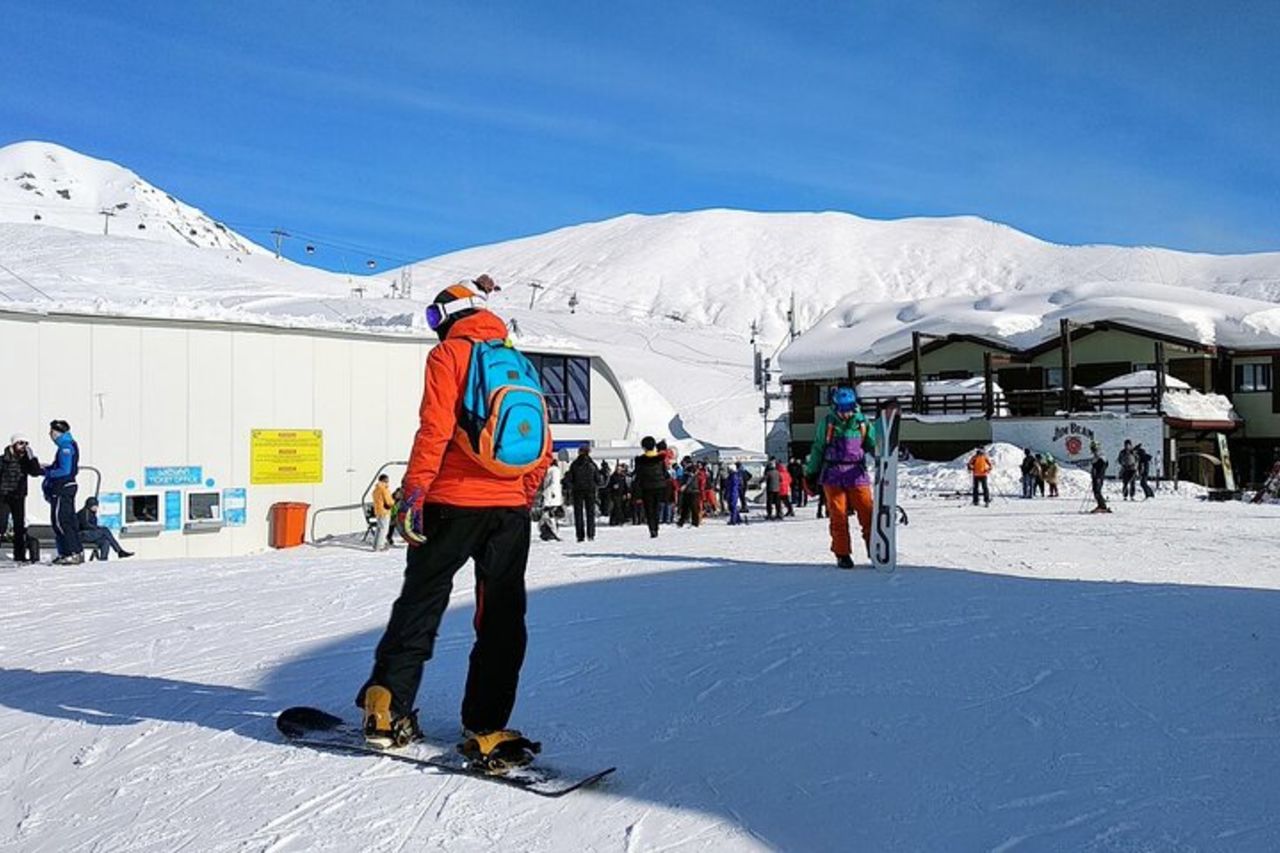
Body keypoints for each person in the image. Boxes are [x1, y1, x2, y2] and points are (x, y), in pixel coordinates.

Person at [356, 280, 551, 768]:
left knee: (421, 604)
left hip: (450, 503)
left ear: (447, 315)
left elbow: (435, 428)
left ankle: (387, 709)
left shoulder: (449, 355)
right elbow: (543, 441)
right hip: (508, 510)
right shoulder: (520, 361)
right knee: (501, 616)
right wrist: (523, 492)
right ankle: (487, 726)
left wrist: (414, 492)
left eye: (433, 317)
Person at [804, 386, 876, 569]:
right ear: (835, 407)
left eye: (849, 408)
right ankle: (842, 554)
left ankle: (875, 549)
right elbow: (818, 448)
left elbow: (873, 444)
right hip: (833, 475)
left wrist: (882, 454)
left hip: (856, 474)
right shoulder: (828, 423)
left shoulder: (862, 423)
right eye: (842, 409)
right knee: (838, 516)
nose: (845, 413)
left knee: (867, 513)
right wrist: (811, 473)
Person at [42, 419, 83, 565]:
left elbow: (65, 470)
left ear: (58, 433)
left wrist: (46, 472)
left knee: (60, 521)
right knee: (68, 520)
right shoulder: (70, 444)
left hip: (62, 487)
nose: (50, 435)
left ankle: (70, 552)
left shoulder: (65, 447)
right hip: (67, 486)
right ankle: (74, 551)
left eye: (52, 432)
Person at [1, 434, 42, 563]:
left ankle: (19, 555)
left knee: (19, 526)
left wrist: (32, 458)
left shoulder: (26, 461)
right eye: (20, 443)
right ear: (13, 444)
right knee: (1, 524)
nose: (23, 446)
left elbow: (35, 472)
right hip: (3, 496)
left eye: (26, 444)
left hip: (18, 496)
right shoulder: (3, 459)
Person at [633, 436, 667, 538]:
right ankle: (656, 526)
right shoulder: (660, 459)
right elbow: (665, 473)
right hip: (659, 486)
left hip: (646, 487)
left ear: (644, 447)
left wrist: (636, 492)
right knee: (657, 508)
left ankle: (652, 528)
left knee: (649, 509)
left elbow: (638, 477)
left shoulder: (640, 461)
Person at [567, 445, 599, 542]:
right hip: (590, 491)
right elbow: (598, 479)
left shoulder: (574, 464)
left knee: (578, 514)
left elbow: (570, 478)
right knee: (590, 513)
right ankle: (591, 534)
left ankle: (580, 535)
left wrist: (571, 485)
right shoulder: (592, 464)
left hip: (577, 491)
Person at [536, 460, 563, 541]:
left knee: (548, 513)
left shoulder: (551, 470)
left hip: (550, 494)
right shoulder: (556, 470)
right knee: (551, 514)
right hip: (554, 495)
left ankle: (551, 532)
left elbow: (548, 482)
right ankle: (551, 531)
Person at [371, 474, 395, 551]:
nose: (388, 482)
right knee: (383, 530)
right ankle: (380, 546)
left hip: (378, 511)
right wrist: (393, 502)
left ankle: (376, 545)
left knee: (379, 529)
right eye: (387, 480)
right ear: (384, 480)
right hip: (384, 511)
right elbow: (388, 501)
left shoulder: (376, 489)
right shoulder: (384, 489)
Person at [1090, 442, 1111, 513]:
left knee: (1097, 491)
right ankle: (1100, 505)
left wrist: (1098, 476)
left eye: (1094, 449)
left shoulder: (1101, 457)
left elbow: (1103, 467)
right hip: (1095, 477)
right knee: (1095, 491)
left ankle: (1103, 506)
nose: (1093, 451)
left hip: (1098, 477)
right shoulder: (1095, 457)